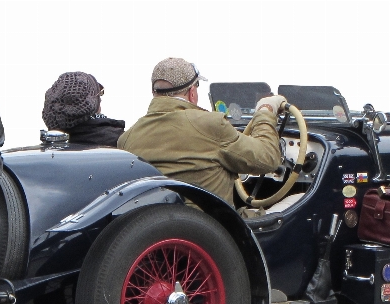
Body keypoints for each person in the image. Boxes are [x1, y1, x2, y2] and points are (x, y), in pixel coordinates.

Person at [117, 57, 285, 208]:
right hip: (212, 236)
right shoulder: (212, 124)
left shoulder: (126, 140)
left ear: (154, 93)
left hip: (153, 237)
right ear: (192, 92)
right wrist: (265, 111)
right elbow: (267, 158)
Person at [42, 71, 125, 146]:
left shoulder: (43, 151)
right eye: (99, 94)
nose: (101, 99)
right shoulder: (122, 142)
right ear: (93, 103)